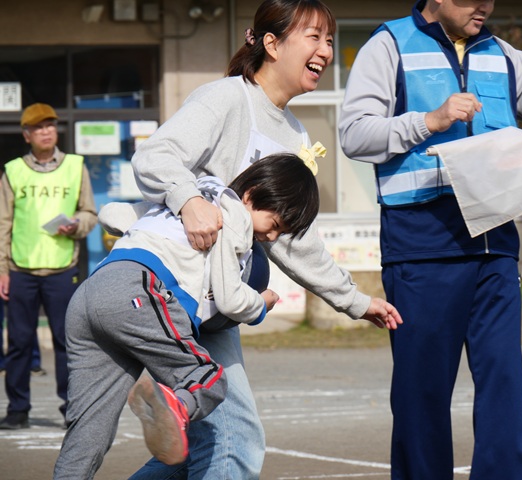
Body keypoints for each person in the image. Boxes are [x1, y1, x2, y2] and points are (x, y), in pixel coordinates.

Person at [127, 1, 402, 478]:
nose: (326, 51)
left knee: (196, 450)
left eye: (330, 40)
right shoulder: (226, 98)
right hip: (173, 295)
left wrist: (354, 300)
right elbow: (156, 158)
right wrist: (189, 200)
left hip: (216, 309)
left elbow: (293, 241)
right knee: (235, 438)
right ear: (272, 44)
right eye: (313, 37)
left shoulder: (294, 134)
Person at [338, 1, 522, 478]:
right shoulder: (388, 46)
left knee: (504, 385)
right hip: (421, 246)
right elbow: (353, 134)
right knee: (421, 392)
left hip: (496, 246)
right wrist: (428, 121)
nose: (484, 6)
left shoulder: (504, 54)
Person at [54, 152, 343, 479]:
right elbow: (230, 299)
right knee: (208, 378)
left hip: (90, 294)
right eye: (274, 225)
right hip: (139, 291)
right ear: (250, 195)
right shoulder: (231, 216)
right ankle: (174, 407)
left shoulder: (185, 198)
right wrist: (261, 303)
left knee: (89, 428)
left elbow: (111, 214)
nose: (272, 238)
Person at [0, 103, 97, 430]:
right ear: (26, 135)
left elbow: (90, 213)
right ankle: (17, 410)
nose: (46, 131)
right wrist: (2, 270)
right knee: (18, 343)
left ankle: (72, 408)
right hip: (20, 270)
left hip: (62, 269)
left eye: (51, 125)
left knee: (67, 342)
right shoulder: (13, 171)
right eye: (39, 127)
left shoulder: (75, 167)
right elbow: (3, 223)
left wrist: (77, 224)